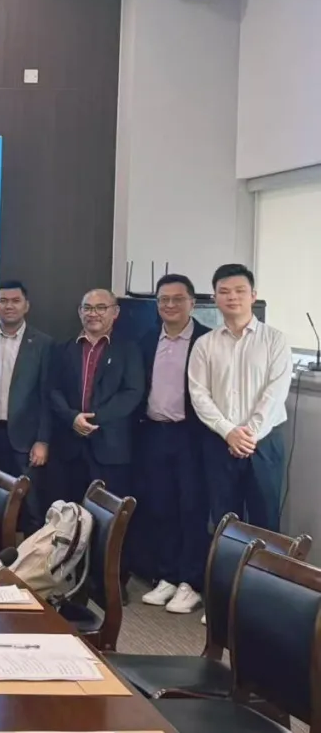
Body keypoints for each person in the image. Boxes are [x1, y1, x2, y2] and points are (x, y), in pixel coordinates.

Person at [189, 263, 292, 533]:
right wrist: (228, 432)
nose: (232, 297)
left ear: (253, 296)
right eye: (224, 291)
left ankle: (262, 565)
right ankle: (226, 565)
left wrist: (248, 435)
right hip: (219, 442)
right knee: (225, 522)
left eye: (239, 290)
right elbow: (199, 394)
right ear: (215, 298)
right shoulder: (205, 344)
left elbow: (275, 392)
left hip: (264, 444)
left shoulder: (276, 340)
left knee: (265, 521)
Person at [138, 274, 211, 615]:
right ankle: (167, 575)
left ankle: (190, 582)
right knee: (161, 506)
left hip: (192, 436)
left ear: (192, 303)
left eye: (177, 299)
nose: (169, 305)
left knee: (192, 509)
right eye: (163, 300)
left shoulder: (206, 341)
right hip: (155, 433)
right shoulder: (147, 339)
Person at [50, 288, 143, 501]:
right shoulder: (63, 349)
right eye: (88, 308)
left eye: (101, 308)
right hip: (70, 447)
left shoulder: (129, 349)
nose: (93, 313)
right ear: (80, 312)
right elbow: (53, 390)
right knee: (70, 511)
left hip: (110, 449)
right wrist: (72, 418)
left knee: (107, 513)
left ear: (115, 312)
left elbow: (132, 392)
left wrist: (93, 419)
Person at [0, 280, 54, 534]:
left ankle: (30, 557)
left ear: (26, 306)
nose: (9, 306)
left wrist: (43, 440)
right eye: (3, 301)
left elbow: (47, 396)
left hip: (27, 439)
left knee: (32, 507)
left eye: (15, 301)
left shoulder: (43, 344)